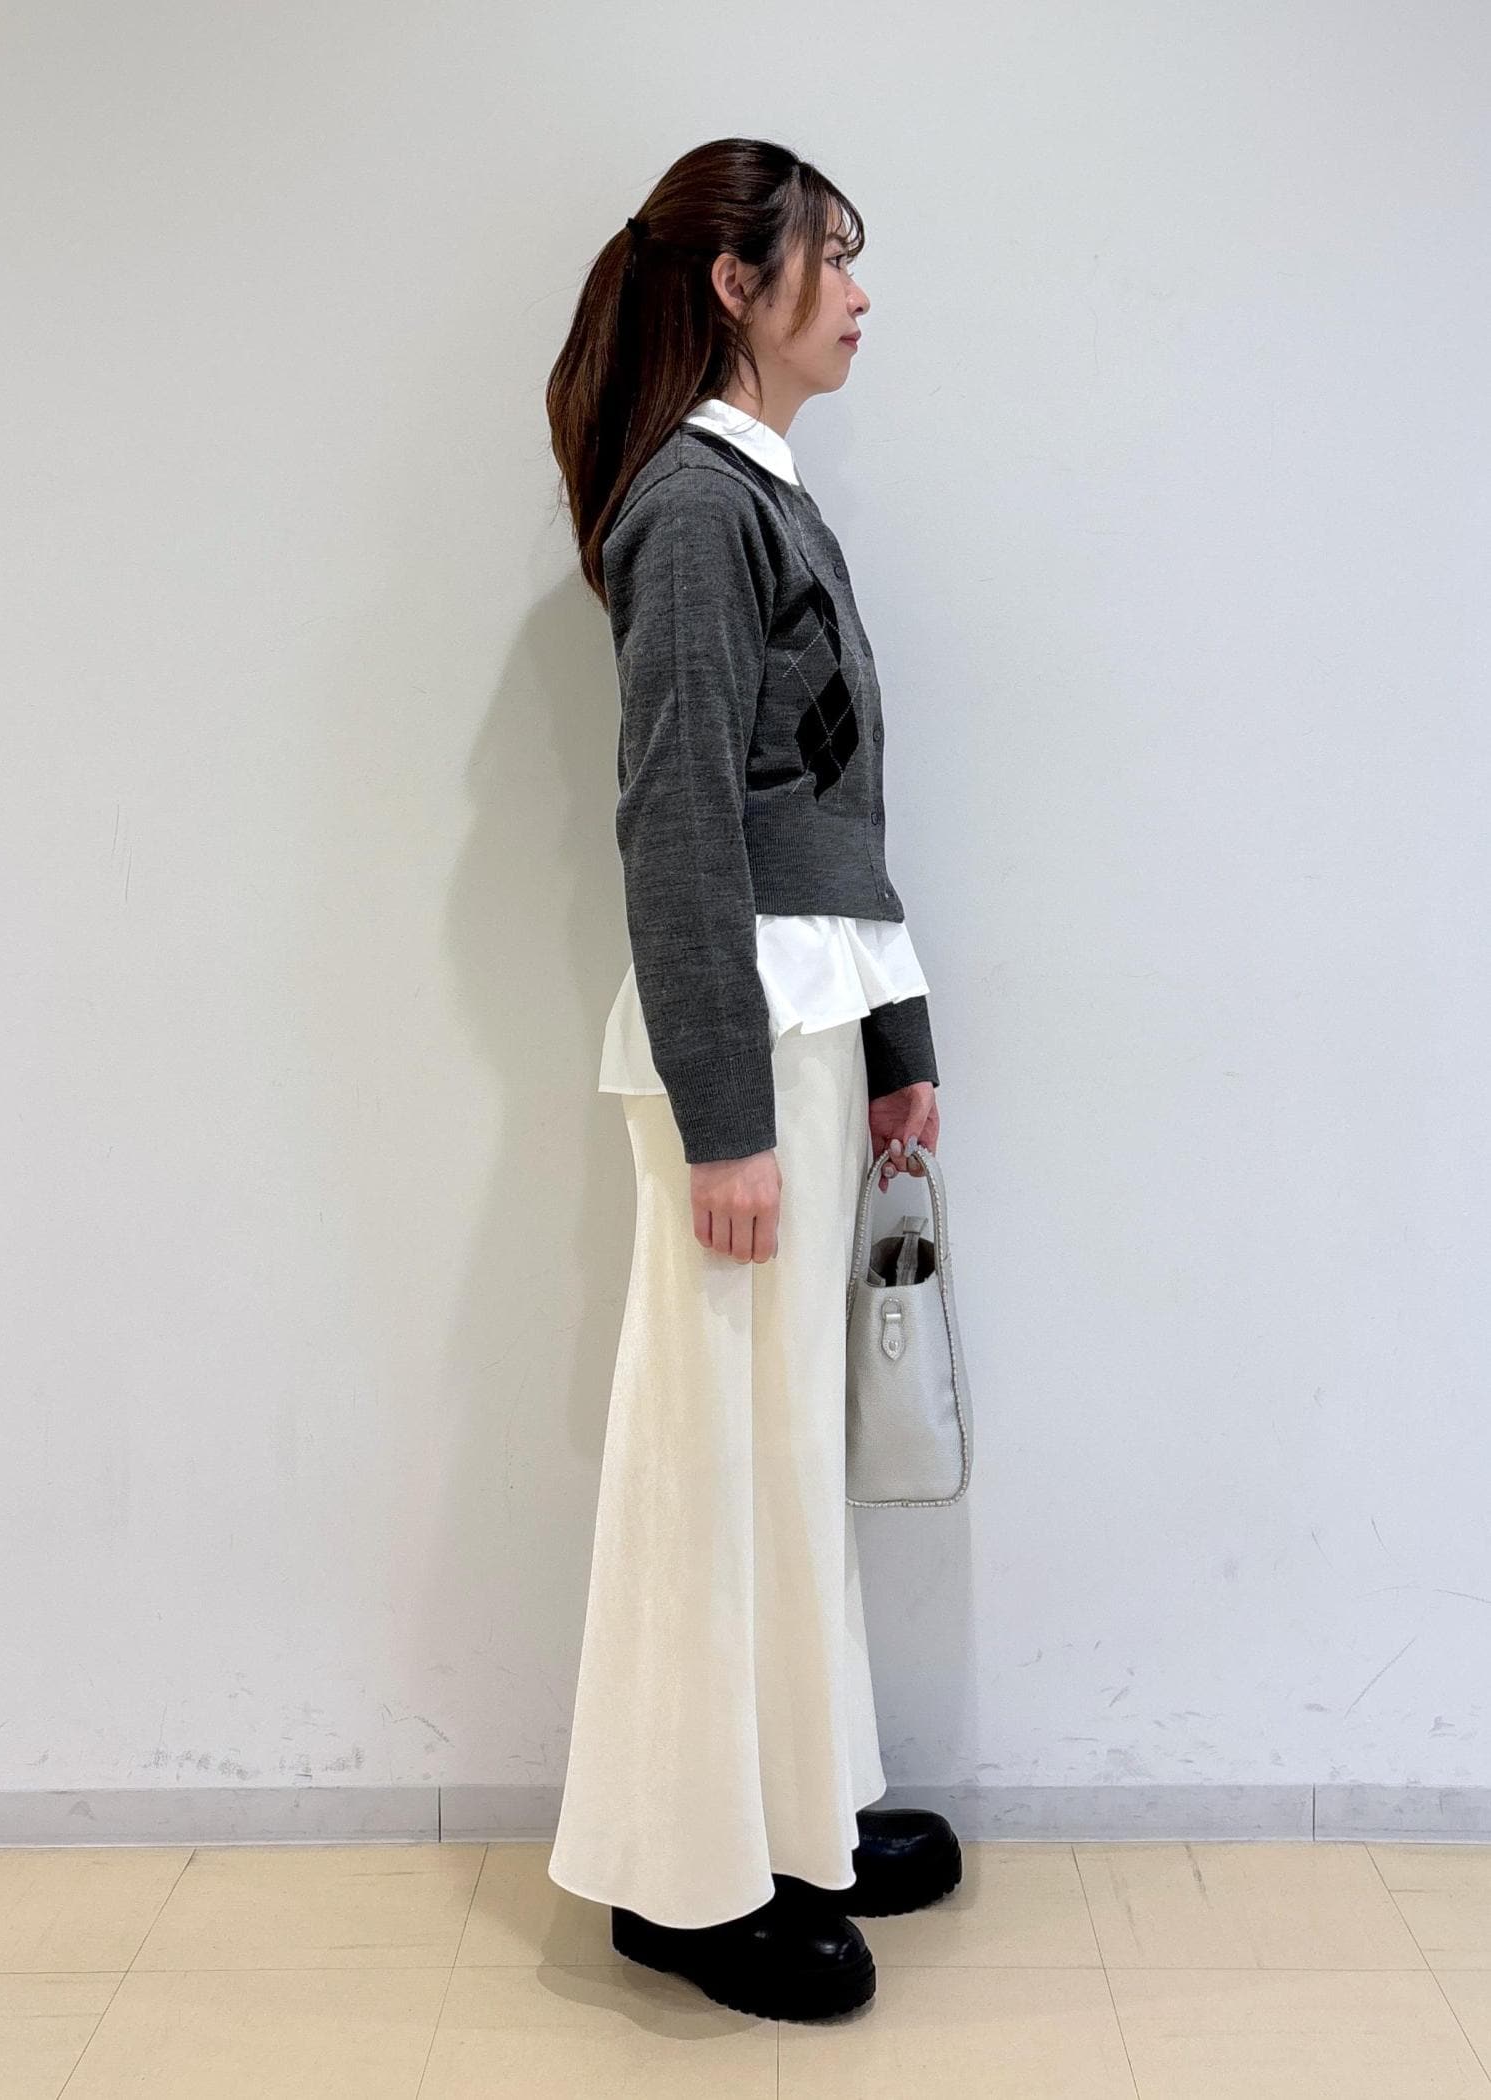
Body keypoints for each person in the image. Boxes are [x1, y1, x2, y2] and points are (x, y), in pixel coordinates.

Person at [542, 137, 961, 2024]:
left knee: (781, 1449)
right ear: (738, 282)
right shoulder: (696, 510)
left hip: (805, 1024)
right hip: (741, 1048)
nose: (860, 295)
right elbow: (679, 828)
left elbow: (829, 810)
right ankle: (680, 1883)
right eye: (832, 259)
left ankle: (799, 1815)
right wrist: (724, 1117)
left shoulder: (763, 497)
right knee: (710, 1458)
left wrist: (896, 1045)